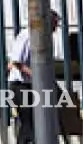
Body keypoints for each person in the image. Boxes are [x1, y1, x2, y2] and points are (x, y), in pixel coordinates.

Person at [7, 9, 61, 144]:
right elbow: (16, 62)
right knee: (28, 120)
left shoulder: (46, 38)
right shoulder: (26, 36)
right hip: (21, 85)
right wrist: (37, 75)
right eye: (54, 24)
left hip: (34, 85)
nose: (56, 27)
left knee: (37, 120)